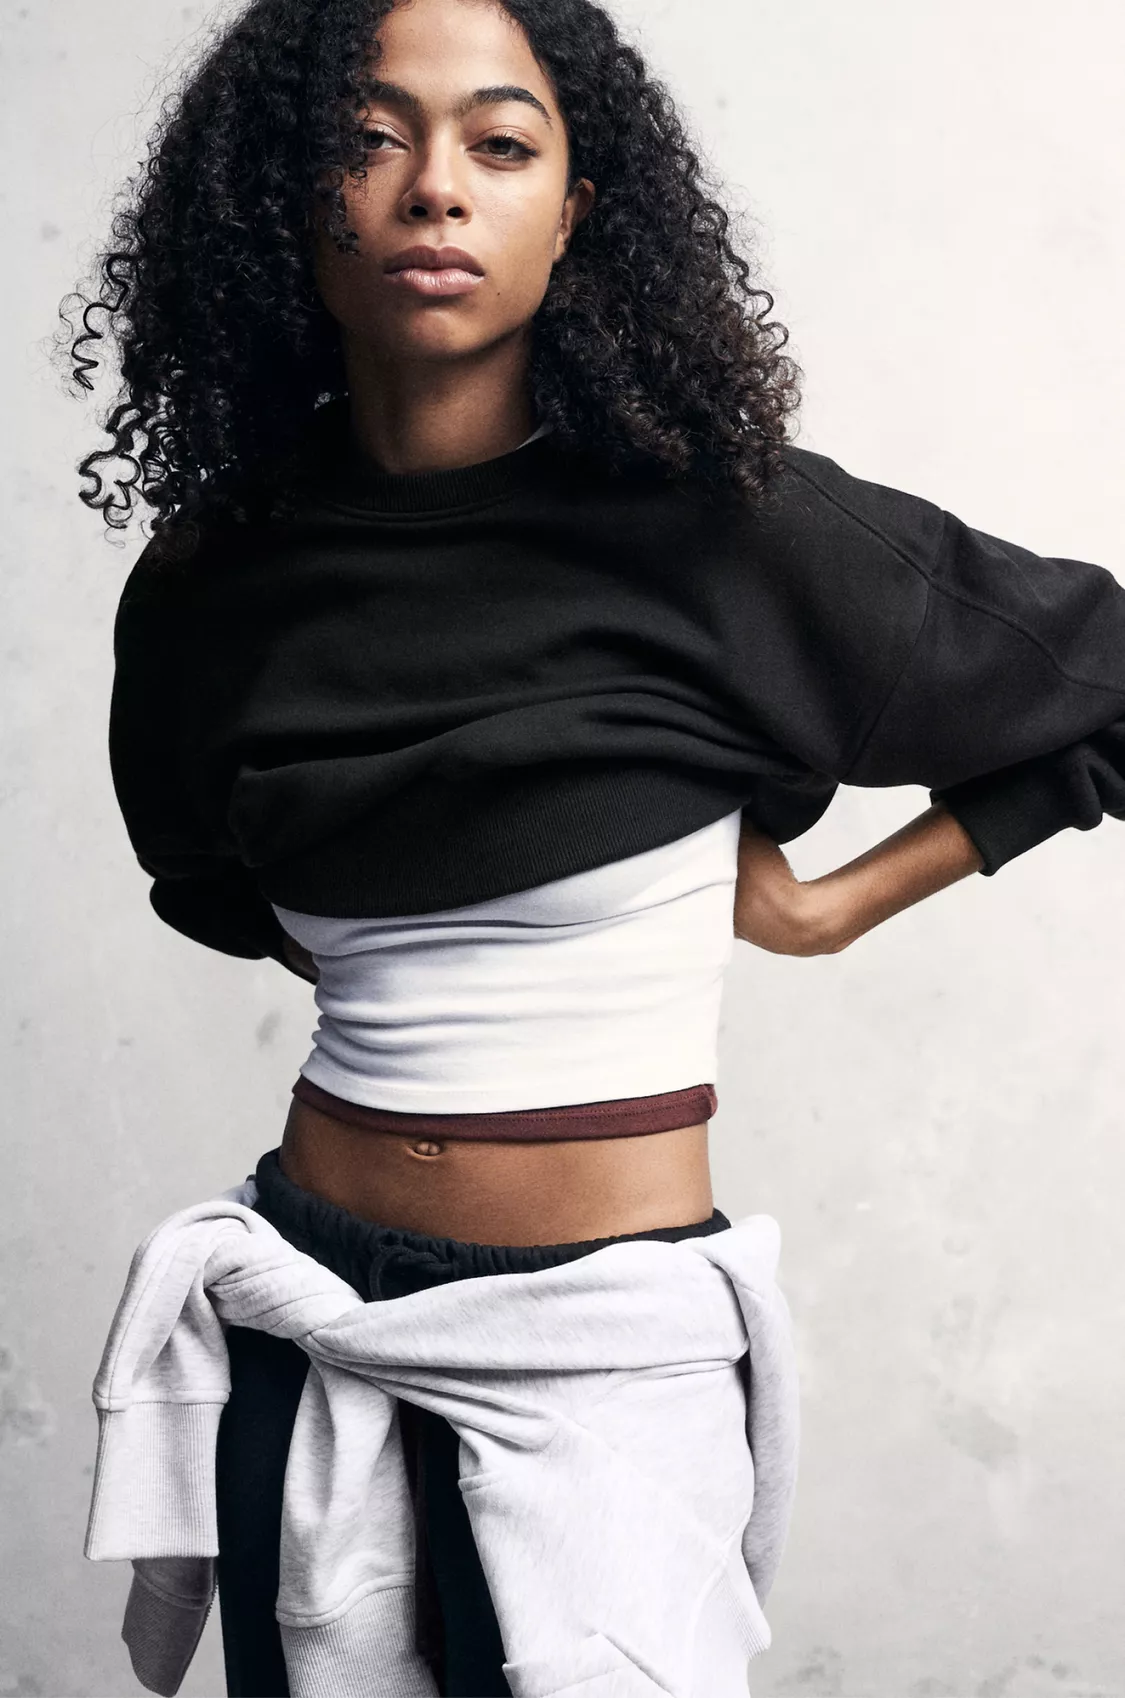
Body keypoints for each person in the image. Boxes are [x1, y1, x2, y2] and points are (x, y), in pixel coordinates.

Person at [64, 0, 1125, 1693]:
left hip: (606, 1355)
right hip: (307, 1312)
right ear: (278, 201)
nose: (434, 186)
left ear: (575, 211)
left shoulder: (725, 528)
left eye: (500, 143)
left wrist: (835, 906)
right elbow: (212, 875)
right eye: (366, 137)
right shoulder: (210, 584)